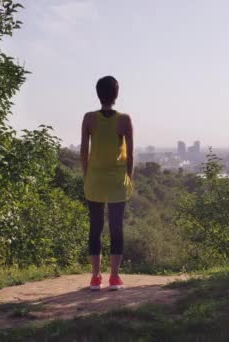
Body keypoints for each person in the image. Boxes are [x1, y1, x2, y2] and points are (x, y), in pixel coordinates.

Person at [81, 76, 134, 291]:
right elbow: (130, 155)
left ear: (97, 93)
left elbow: (84, 152)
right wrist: (129, 177)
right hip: (116, 181)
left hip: (94, 179)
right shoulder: (124, 119)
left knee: (95, 227)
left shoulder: (88, 118)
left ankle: (95, 277)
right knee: (116, 228)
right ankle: (114, 277)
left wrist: (87, 176)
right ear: (116, 94)